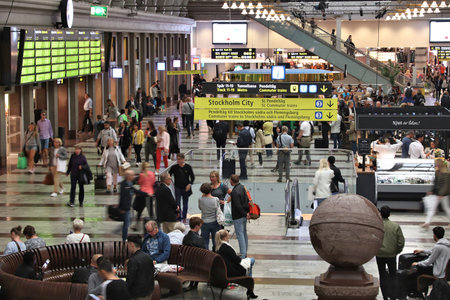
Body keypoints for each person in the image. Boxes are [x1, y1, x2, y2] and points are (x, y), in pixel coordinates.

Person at [215, 230, 258, 299]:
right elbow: (237, 260)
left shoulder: (217, 247)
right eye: (228, 236)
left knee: (249, 263)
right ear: (225, 238)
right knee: (252, 260)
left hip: (223, 271)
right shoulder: (226, 247)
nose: (229, 237)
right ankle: (250, 290)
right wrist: (239, 257)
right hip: (231, 272)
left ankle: (250, 290)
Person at [376, 206, 405, 300]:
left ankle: (385, 297)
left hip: (379, 254)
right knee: (393, 275)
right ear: (389, 214)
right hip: (391, 254)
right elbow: (401, 242)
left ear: (380, 214)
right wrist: (396, 251)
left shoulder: (377, 225)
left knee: (382, 275)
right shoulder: (395, 226)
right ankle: (393, 296)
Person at [413, 227, 450, 291]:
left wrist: (417, 263)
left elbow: (429, 261)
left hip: (439, 274)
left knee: (418, 270)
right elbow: (433, 251)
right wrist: (422, 251)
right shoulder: (447, 244)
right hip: (446, 272)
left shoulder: (438, 247)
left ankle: (419, 291)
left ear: (434, 235)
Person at [421, 159, 450, 228]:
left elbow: (446, 185)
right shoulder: (438, 172)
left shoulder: (446, 174)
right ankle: (427, 223)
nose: (435, 165)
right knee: (433, 209)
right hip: (437, 194)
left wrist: (441, 194)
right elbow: (436, 183)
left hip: (442, 194)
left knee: (445, 208)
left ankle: (427, 223)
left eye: (436, 164)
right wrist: (432, 191)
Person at [126, 235, 155, 300]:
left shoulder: (133, 260)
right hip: (149, 291)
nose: (127, 247)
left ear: (132, 244)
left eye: (128, 245)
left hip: (138, 294)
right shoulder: (148, 257)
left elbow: (130, 279)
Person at [169, 154, 195, 221]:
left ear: (183, 159)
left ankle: (184, 217)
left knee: (185, 203)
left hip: (186, 187)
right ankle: (178, 216)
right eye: (177, 159)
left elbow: (192, 177)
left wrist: (189, 184)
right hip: (177, 187)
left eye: (179, 159)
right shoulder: (174, 167)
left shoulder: (188, 167)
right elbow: (169, 175)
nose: (178, 160)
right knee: (177, 203)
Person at [230, 175, 250, 258]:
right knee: (244, 233)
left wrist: (244, 213)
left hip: (238, 215)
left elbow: (237, 205)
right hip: (244, 214)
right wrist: (247, 213)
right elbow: (247, 200)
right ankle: (245, 251)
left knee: (240, 234)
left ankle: (242, 253)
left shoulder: (234, 191)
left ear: (232, 181)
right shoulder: (242, 187)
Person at [133, 162, 156, 230]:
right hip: (150, 195)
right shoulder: (152, 174)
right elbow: (153, 183)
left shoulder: (141, 175)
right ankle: (154, 226)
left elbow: (140, 183)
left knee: (140, 211)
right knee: (151, 212)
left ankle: (136, 226)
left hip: (142, 195)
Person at [198, 183, 221, 250]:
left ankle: (206, 256)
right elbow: (218, 208)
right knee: (216, 241)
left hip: (204, 222)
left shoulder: (200, 199)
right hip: (214, 221)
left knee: (205, 241)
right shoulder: (216, 199)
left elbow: (200, 208)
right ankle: (215, 254)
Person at [119, 170, 137, 242]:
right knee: (126, 223)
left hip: (129, 206)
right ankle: (124, 238)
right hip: (125, 207)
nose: (133, 176)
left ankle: (125, 236)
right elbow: (122, 197)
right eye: (132, 175)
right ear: (128, 176)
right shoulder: (124, 184)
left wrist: (145, 194)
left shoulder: (130, 183)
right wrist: (121, 208)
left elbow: (135, 190)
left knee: (128, 222)